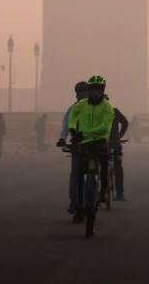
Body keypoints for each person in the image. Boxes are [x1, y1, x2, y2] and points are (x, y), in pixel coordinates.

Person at [67, 75, 114, 223]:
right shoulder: (82, 104)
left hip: (100, 142)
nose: (95, 93)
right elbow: (72, 115)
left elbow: (104, 127)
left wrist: (83, 133)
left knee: (105, 164)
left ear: (102, 90)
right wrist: (72, 128)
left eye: (98, 90)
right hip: (85, 143)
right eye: (93, 89)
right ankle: (80, 208)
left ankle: (103, 193)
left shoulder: (107, 107)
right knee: (80, 177)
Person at [57, 80, 88, 213]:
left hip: (94, 143)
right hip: (77, 145)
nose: (80, 96)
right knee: (75, 173)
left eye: (83, 93)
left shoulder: (96, 107)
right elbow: (66, 125)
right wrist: (62, 138)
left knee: (94, 171)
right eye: (79, 93)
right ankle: (73, 201)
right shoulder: (72, 109)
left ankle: (97, 193)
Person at [107, 97, 130, 201]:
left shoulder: (114, 111)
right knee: (118, 167)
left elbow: (125, 123)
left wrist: (119, 136)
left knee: (117, 166)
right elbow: (125, 123)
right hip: (114, 143)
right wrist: (120, 135)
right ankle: (120, 193)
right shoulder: (114, 111)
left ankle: (119, 192)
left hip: (110, 143)